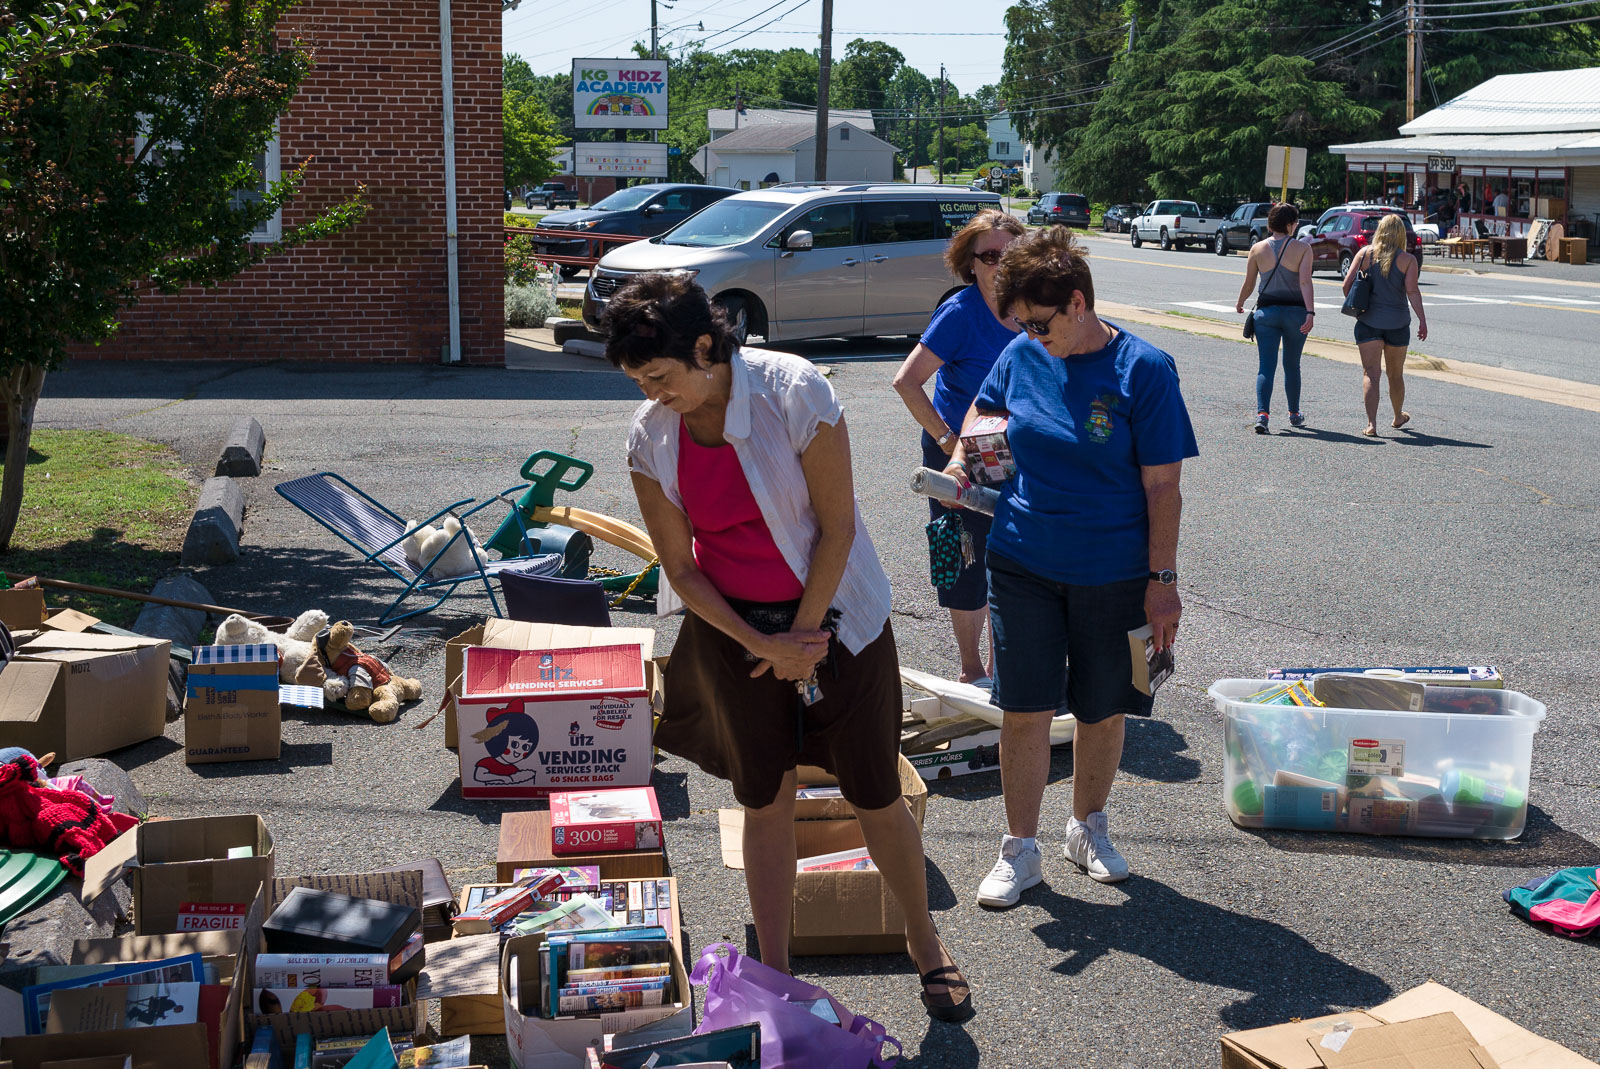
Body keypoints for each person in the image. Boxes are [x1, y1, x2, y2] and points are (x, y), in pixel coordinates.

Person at [605, 272, 974, 1022]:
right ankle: (776, 973)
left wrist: (802, 639)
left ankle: (924, 940)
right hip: (734, 634)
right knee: (763, 799)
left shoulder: (793, 390)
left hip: (841, 620)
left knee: (876, 792)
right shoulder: (651, 434)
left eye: (661, 376)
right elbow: (681, 568)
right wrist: (761, 644)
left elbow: (838, 527)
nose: (653, 394)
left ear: (705, 346)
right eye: (639, 382)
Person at [940, 227, 1199, 909]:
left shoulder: (1145, 370)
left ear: (1078, 303)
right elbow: (981, 415)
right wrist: (961, 462)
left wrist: (1163, 584)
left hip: (1115, 571)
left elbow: (1164, 489)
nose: (1029, 335)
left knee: (1103, 707)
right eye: (1021, 324)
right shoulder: (1022, 353)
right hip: (1022, 560)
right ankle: (1019, 849)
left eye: (1039, 322)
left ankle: (1087, 827)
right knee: (1023, 708)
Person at [892, 209, 1025, 684]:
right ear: (971, 263)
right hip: (958, 456)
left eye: (1010, 253)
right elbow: (906, 382)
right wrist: (948, 441)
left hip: (1016, 455)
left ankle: (1001, 670)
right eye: (989, 256)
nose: (1000, 263)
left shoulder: (1032, 308)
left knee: (1012, 559)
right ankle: (972, 670)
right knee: (966, 556)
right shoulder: (960, 313)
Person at [1234, 203, 1316, 433]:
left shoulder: (1257, 249)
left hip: (1266, 314)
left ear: (1271, 224)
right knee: (1292, 365)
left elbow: (1249, 284)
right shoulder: (1303, 249)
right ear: (1290, 225)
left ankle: (1262, 415)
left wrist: (1240, 302)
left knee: (1265, 367)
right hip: (1296, 313)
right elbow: (1305, 282)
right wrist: (1310, 312)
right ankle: (1294, 414)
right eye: (1295, 222)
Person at [1344, 213, 1427, 436]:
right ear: (1401, 234)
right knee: (1395, 374)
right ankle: (1398, 416)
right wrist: (1422, 319)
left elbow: (1347, 286)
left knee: (1371, 374)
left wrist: (1359, 310)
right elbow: (1412, 291)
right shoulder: (1408, 260)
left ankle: (1371, 425)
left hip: (1368, 322)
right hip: (1398, 324)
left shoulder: (1364, 254)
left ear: (1379, 231)